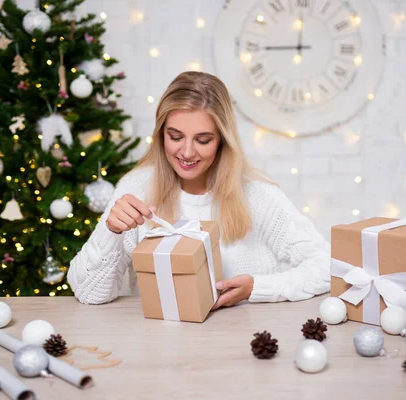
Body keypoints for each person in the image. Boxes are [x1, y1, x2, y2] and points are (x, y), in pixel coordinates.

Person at [67, 71, 330, 309]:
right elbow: (90, 293)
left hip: (243, 344)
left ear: (222, 141)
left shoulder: (258, 196)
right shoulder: (137, 188)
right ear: (160, 135)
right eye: (176, 136)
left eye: (203, 140)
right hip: (160, 346)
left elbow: (327, 266)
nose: (188, 152)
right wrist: (111, 232)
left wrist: (257, 288)